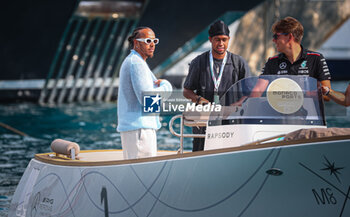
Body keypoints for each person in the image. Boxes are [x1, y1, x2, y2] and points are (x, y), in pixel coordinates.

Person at [183, 20, 251, 151]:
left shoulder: (239, 63)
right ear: (210, 40)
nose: (221, 43)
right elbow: (187, 91)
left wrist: (239, 103)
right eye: (217, 39)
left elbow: (249, 92)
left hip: (230, 119)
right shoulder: (199, 62)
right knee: (200, 155)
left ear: (229, 39)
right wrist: (198, 99)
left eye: (224, 40)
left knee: (229, 154)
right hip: (203, 121)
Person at [117, 27, 172, 159]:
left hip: (137, 130)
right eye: (148, 40)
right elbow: (148, 99)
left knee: (138, 175)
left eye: (154, 41)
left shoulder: (135, 61)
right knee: (143, 176)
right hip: (140, 131)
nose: (152, 44)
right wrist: (166, 87)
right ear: (136, 43)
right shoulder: (136, 63)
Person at [250, 16, 332, 99]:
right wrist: (245, 102)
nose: (273, 40)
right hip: (280, 111)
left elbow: (327, 95)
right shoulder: (272, 62)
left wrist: (304, 94)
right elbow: (257, 91)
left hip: (309, 111)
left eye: (276, 36)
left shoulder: (316, 58)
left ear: (289, 37)